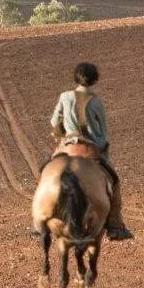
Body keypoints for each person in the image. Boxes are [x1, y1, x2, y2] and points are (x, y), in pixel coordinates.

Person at [49, 61, 132, 240]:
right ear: (95, 80)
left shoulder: (64, 96)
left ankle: (40, 217)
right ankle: (115, 226)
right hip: (90, 149)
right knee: (115, 181)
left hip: (67, 146)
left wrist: (62, 133)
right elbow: (102, 131)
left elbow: (54, 121)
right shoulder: (96, 101)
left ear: (76, 78)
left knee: (46, 173)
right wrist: (102, 146)